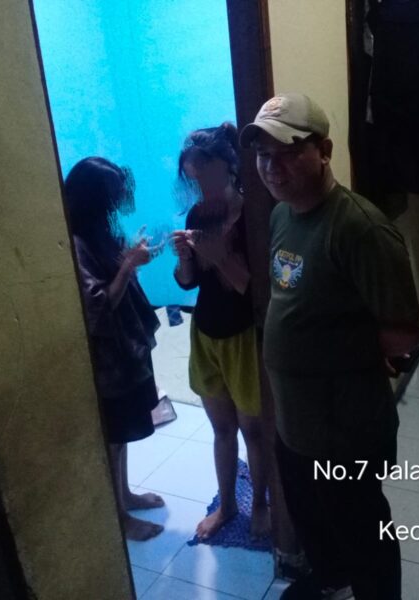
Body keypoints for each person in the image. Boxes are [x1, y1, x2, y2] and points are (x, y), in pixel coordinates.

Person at [240, 93, 419, 600]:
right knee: (317, 530)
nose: (271, 168)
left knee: (364, 537)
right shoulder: (282, 215)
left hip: (345, 432)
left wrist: (331, 349)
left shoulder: (360, 228)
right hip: (296, 424)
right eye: (263, 155)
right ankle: (332, 586)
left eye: (287, 153)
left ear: (324, 151)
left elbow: (405, 332)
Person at [171, 123, 270, 540]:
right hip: (206, 330)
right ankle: (228, 505)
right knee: (222, 429)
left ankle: (260, 503)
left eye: (204, 178)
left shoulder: (254, 216)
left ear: (228, 168)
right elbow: (188, 282)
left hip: (244, 336)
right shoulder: (198, 215)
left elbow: (257, 290)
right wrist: (184, 259)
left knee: (254, 430)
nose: (200, 189)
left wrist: (218, 255)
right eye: (193, 180)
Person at [64, 157, 165, 541]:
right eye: (111, 198)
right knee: (110, 437)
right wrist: (127, 267)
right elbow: (98, 307)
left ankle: (125, 496)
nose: (117, 204)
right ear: (93, 199)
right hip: (107, 362)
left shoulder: (96, 232)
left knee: (119, 436)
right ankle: (118, 515)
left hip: (124, 354)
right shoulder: (75, 242)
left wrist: (129, 258)